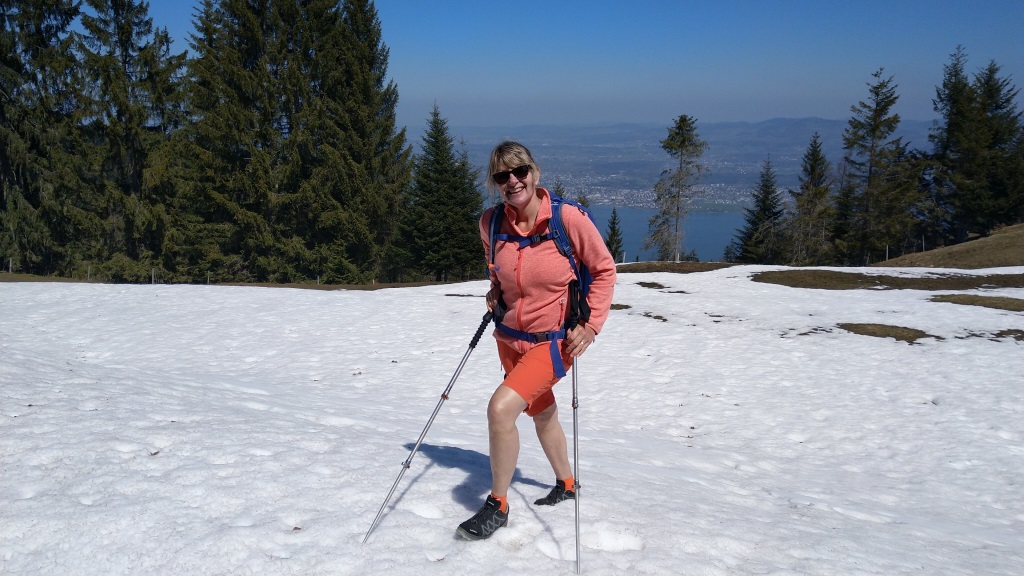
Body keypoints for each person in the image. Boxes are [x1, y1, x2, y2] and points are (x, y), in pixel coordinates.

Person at [457, 141, 616, 540]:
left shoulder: (567, 219)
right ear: (495, 183)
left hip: (553, 343)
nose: (513, 181)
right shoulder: (491, 223)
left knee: (500, 410)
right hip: (509, 338)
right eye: (502, 175)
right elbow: (497, 270)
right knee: (541, 412)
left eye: (520, 171)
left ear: (534, 172)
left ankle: (497, 505)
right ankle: (567, 483)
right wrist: (495, 291)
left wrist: (591, 325)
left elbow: (604, 270)